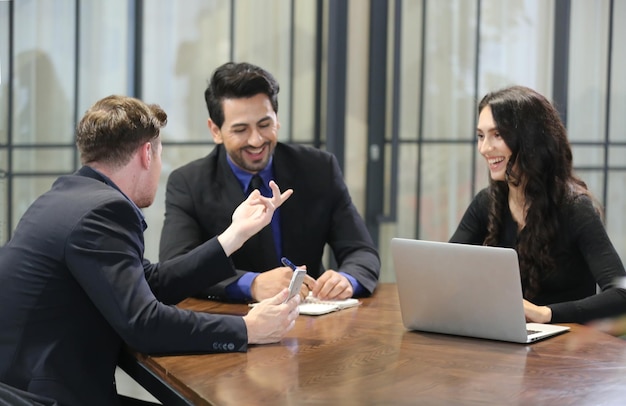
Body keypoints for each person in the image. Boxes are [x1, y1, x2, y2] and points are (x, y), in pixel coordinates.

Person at [0, 95, 300, 406]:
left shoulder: (68, 195)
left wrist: (234, 236)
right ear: (147, 153)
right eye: (160, 155)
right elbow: (144, 324)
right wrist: (247, 328)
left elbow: (148, 283)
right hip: (41, 397)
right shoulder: (103, 210)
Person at [159, 61, 380, 303]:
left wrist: (347, 278)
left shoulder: (318, 169)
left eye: (265, 125)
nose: (256, 140)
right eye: (241, 129)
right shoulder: (189, 183)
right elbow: (176, 266)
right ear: (215, 131)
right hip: (231, 323)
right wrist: (251, 284)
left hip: (312, 319)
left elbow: (361, 250)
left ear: (277, 119)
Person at [450, 85, 626, 325]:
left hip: (565, 350)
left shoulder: (575, 208)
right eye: (481, 136)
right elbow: (447, 272)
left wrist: (547, 313)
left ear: (529, 139)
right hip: (505, 340)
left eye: (497, 135)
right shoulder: (486, 202)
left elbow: (620, 294)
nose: (484, 148)